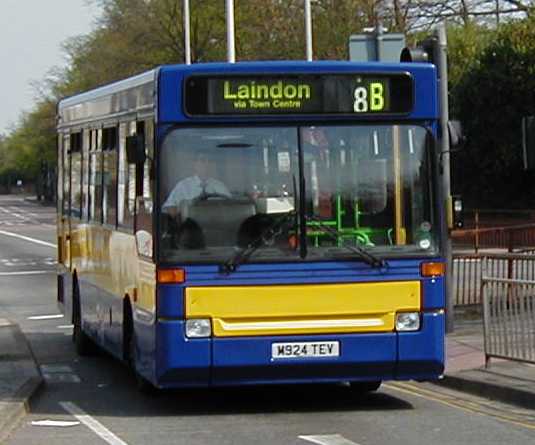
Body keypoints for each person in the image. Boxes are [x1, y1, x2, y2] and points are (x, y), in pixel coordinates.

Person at [162, 151, 231, 218]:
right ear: (195, 164)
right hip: (191, 227)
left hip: (215, 227)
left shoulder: (220, 186)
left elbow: (231, 207)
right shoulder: (183, 186)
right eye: (202, 160)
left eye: (209, 161)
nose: (206, 164)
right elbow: (169, 207)